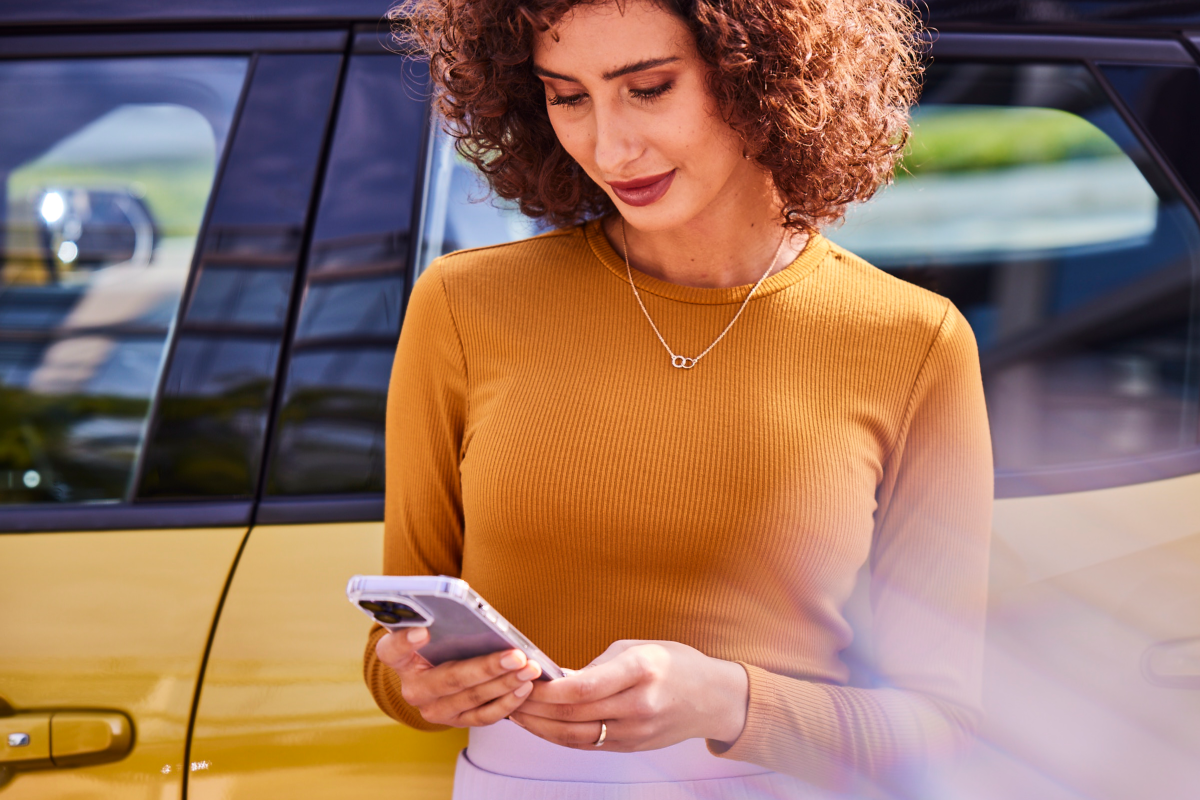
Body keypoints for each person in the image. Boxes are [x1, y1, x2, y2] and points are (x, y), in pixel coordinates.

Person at [363, 0, 993, 797]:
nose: (609, 146)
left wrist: (725, 701)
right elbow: (401, 657)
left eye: (649, 87)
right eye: (568, 96)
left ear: (763, 74)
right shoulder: (464, 305)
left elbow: (940, 730)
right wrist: (419, 685)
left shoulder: (913, 341)